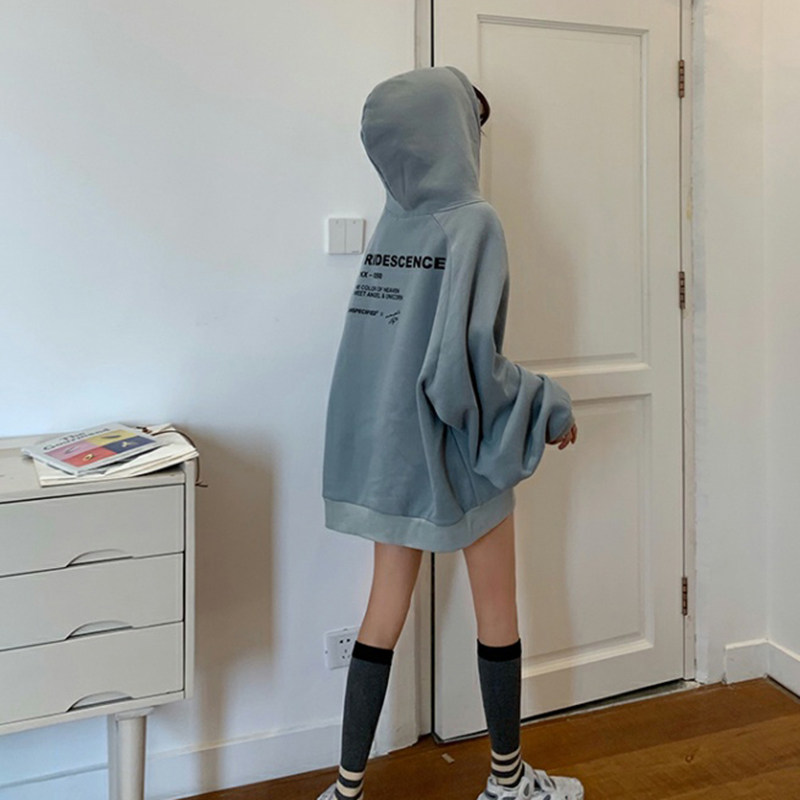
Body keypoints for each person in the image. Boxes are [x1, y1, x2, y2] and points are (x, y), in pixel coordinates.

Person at [319, 66, 582, 800]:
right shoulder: (473, 221)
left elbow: (382, 355)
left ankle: (345, 791)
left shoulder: (395, 223)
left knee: (382, 611)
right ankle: (507, 783)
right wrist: (548, 406)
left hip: (387, 455)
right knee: (496, 607)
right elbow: (463, 369)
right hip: (453, 453)